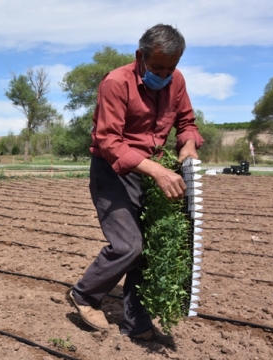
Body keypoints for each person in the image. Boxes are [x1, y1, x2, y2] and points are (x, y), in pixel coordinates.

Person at [68, 24, 204, 340]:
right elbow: (109, 142)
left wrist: (188, 145)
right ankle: (85, 294)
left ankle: (136, 322)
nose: (165, 74)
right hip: (111, 170)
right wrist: (157, 172)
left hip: (147, 170)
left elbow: (187, 123)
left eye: (172, 67)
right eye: (158, 67)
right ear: (140, 56)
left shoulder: (176, 82)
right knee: (129, 245)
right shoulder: (116, 83)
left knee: (147, 249)